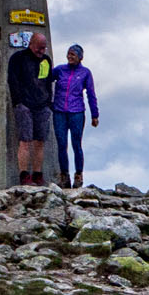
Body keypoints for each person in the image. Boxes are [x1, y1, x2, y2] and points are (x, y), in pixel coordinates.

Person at [5, 31, 54, 186]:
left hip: (42, 106)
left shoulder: (46, 60)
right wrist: (18, 102)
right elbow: (12, 81)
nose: (41, 51)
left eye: (44, 48)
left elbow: (47, 81)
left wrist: (48, 103)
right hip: (24, 105)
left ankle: (38, 175)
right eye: (39, 48)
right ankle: (24, 176)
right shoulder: (18, 58)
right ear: (31, 44)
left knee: (40, 141)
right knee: (25, 141)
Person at [49, 44, 99, 188]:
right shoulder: (59, 70)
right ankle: (64, 176)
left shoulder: (85, 73)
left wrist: (94, 114)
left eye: (73, 55)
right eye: (69, 54)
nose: (70, 57)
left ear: (80, 57)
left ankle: (79, 175)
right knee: (61, 144)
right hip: (59, 111)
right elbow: (45, 80)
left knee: (76, 144)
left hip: (76, 112)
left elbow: (91, 94)